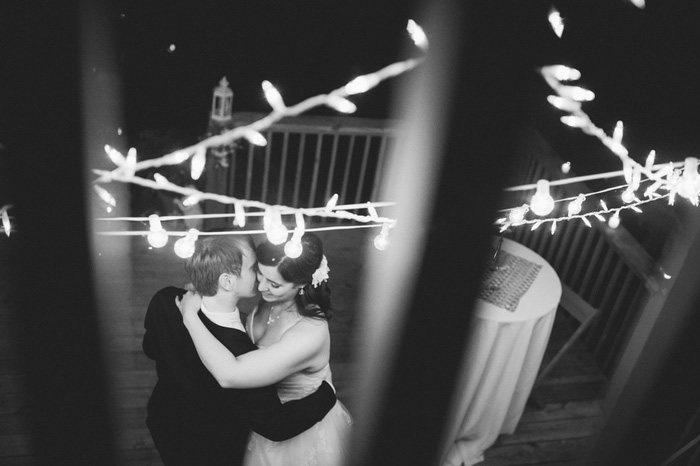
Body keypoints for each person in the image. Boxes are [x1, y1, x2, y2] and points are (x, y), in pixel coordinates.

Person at [143, 234, 337, 466]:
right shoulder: (241, 351)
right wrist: (328, 394)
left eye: (273, 282)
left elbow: (151, 348)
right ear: (227, 281)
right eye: (255, 269)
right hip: (213, 448)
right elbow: (275, 425)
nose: (261, 283)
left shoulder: (165, 299)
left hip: (164, 420)